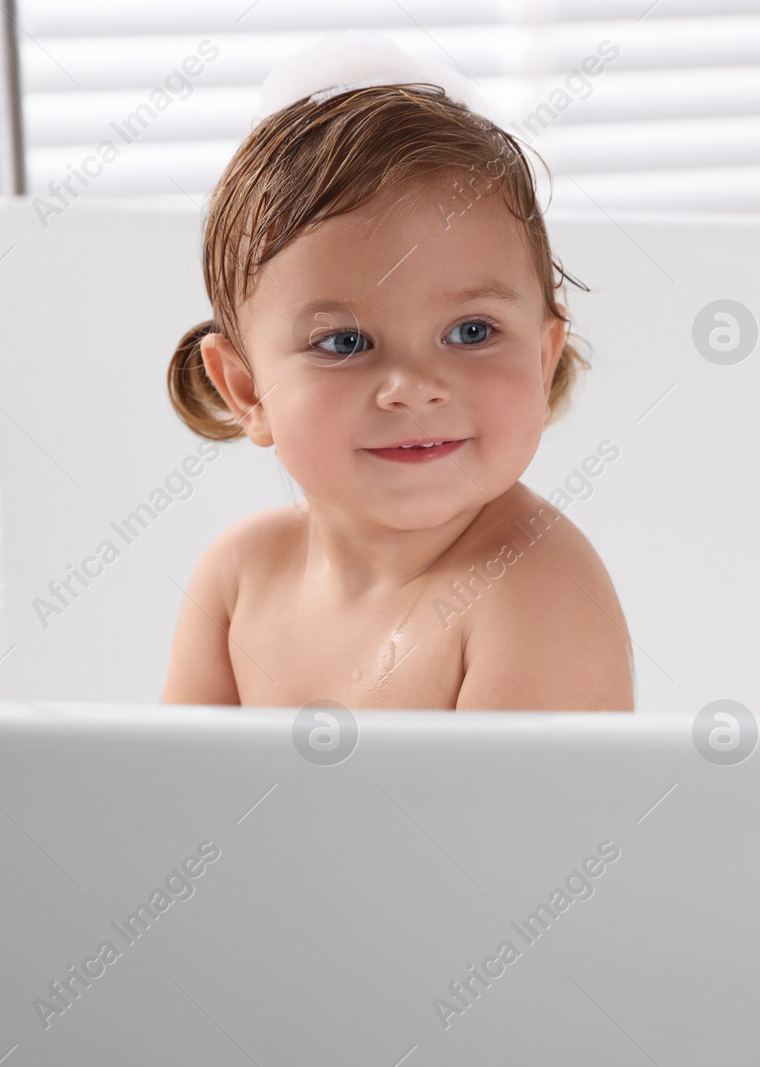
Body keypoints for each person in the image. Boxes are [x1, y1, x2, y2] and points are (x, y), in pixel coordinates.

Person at [159, 32, 634, 711]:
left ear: (542, 354)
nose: (413, 385)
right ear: (245, 389)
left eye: (471, 331)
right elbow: (171, 805)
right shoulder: (238, 582)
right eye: (345, 341)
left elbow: (526, 821)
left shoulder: (534, 589)